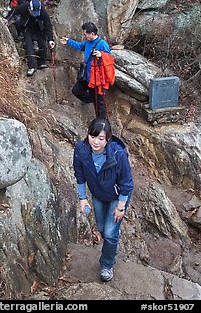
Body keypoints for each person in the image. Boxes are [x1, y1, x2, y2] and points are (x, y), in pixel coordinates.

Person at [73, 117, 134, 282]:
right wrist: (82, 198)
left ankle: (107, 264)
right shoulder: (81, 149)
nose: (96, 142)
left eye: (101, 138)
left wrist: (120, 208)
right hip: (98, 195)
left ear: (108, 139)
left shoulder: (117, 154)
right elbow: (79, 175)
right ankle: (112, 241)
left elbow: (127, 184)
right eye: (93, 137)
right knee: (102, 228)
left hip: (117, 196)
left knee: (109, 233)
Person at [60, 22, 111, 118]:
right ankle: (90, 99)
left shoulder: (102, 44)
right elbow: (80, 46)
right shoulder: (87, 43)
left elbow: (110, 60)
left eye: (85, 34)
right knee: (76, 90)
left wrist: (102, 55)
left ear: (92, 33)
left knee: (99, 104)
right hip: (86, 77)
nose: (84, 36)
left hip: (96, 79)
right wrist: (68, 41)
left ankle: (102, 123)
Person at [11, 0, 55, 76]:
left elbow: (48, 25)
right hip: (27, 26)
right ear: (29, 9)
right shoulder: (24, 6)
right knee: (29, 45)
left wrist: (50, 39)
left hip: (38, 26)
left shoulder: (42, 11)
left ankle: (42, 62)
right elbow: (14, 11)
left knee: (42, 42)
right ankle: (32, 66)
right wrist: (6, 19)